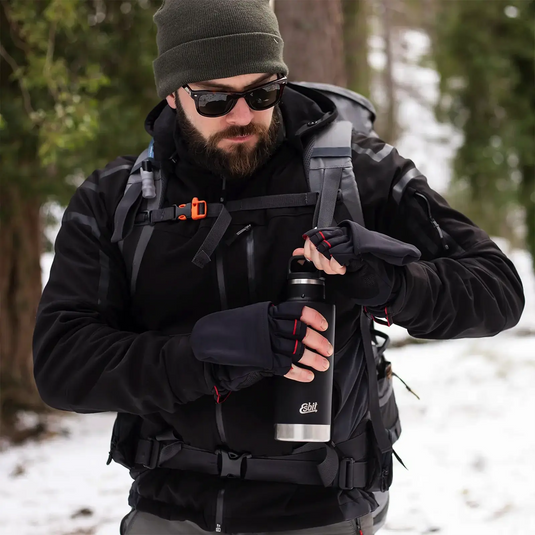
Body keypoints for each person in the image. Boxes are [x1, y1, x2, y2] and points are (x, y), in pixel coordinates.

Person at [32, 1, 525, 534]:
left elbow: (497, 291)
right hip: (169, 507)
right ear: (173, 95)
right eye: (215, 99)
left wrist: (390, 285)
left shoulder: (359, 172)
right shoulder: (118, 199)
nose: (243, 116)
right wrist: (206, 353)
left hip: (319, 508)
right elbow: (63, 365)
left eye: (263, 92)